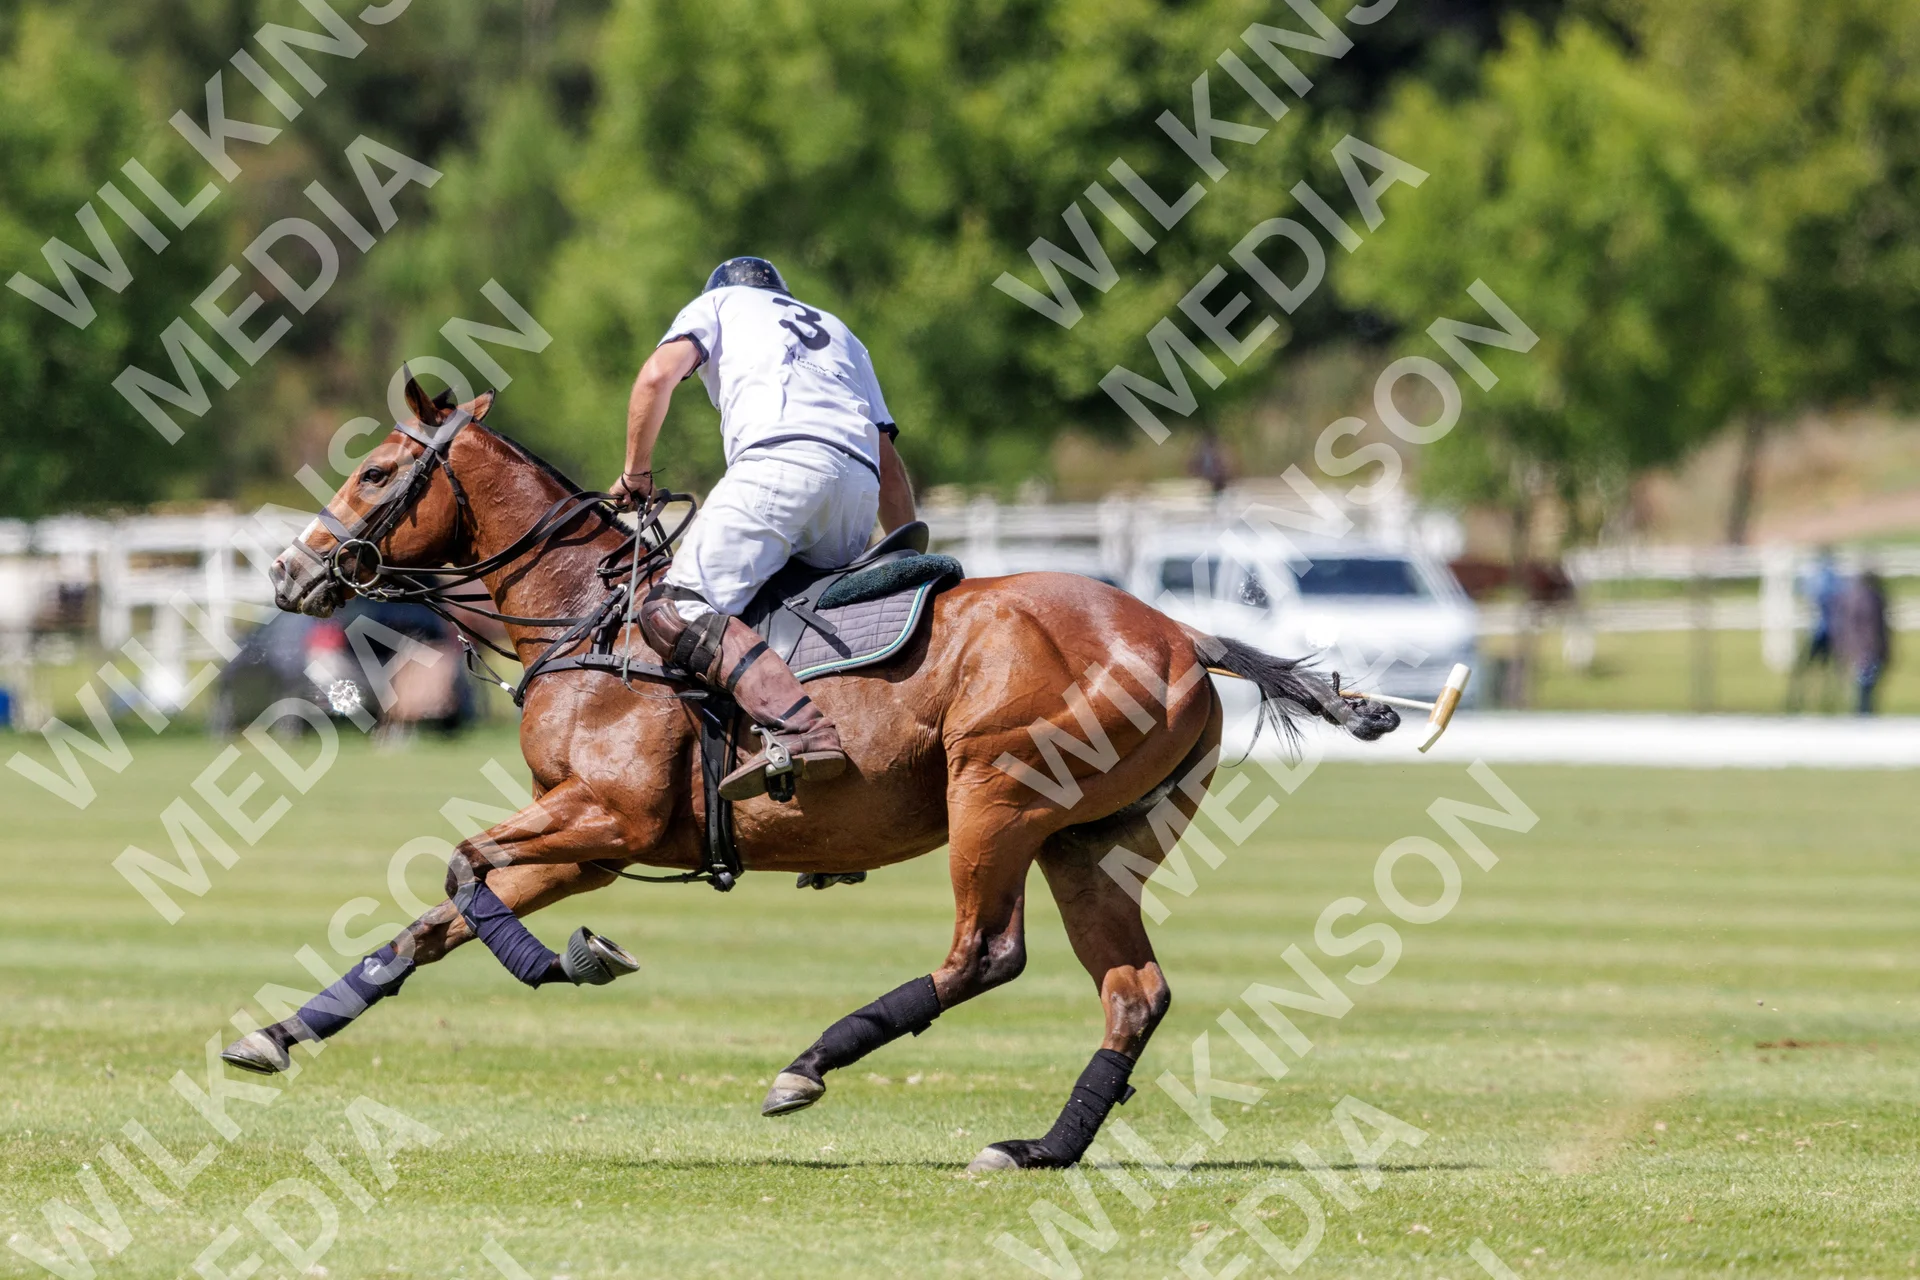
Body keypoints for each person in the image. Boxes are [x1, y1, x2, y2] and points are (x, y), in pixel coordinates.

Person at [611, 257, 916, 799]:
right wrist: (906, 553)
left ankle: (800, 732)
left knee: (673, 610)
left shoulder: (717, 303)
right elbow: (888, 462)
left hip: (780, 467)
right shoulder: (840, 331)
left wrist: (636, 473)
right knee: (792, 608)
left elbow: (657, 376)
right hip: (857, 487)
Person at [1832, 568, 1891, 715]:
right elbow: (1875, 627)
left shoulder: (1853, 597)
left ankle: (1863, 713)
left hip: (1860, 648)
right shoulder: (1873, 599)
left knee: (1864, 685)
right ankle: (1863, 714)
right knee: (1865, 686)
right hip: (1867, 649)